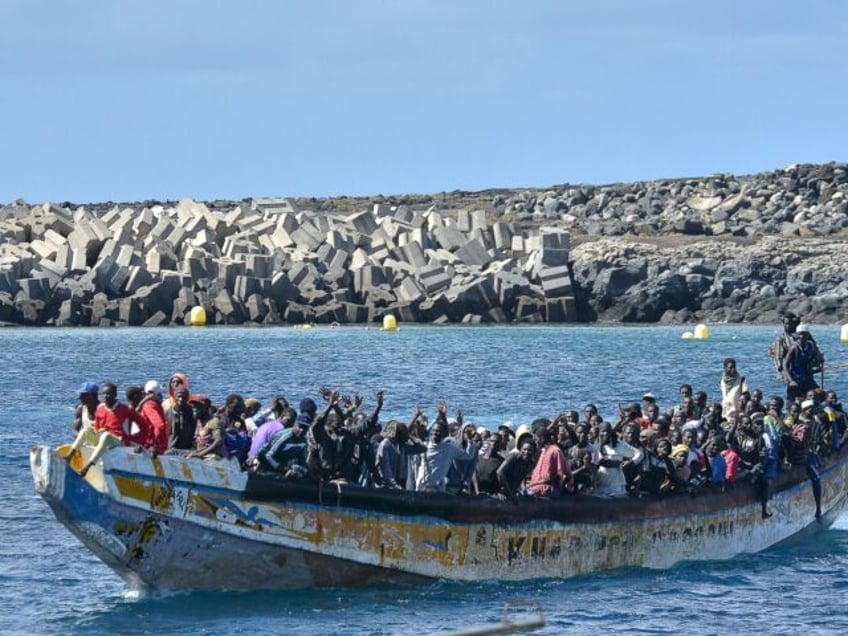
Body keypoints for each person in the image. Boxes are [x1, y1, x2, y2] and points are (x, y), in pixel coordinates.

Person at [66, 382, 148, 477]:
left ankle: (87, 467)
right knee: (86, 430)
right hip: (103, 439)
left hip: (119, 441)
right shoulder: (100, 408)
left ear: (115, 395)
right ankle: (69, 456)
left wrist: (139, 442)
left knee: (106, 436)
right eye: (103, 394)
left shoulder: (126, 409)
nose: (105, 396)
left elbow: (144, 426)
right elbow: (97, 428)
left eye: (108, 394)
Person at [416, 401, 479, 493]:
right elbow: (421, 434)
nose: (434, 433)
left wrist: (469, 440)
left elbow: (468, 456)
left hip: (439, 489)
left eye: (437, 432)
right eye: (433, 431)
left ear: (442, 434)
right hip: (422, 487)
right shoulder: (425, 446)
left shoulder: (449, 448)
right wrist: (439, 415)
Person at [374, 420, 425, 489]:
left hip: (400, 482)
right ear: (397, 434)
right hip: (386, 485)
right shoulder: (385, 445)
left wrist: (411, 437)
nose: (405, 437)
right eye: (403, 434)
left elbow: (422, 448)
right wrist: (394, 485)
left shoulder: (403, 446)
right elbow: (386, 469)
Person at [782, 323, 824, 402]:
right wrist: (791, 381)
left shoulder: (811, 346)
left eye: (805, 334)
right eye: (801, 334)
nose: (803, 336)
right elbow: (785, 364)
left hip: (808, 378)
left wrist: (819, 359)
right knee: (793, 400)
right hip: (796, 379)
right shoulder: (794, 348)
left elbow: (816, 357)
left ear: (808, 335)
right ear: (798, 335)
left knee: (820, 395)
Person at [188, 395, 227, 460]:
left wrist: (199, 454)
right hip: (202, 454)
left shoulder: (214, 421)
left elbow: (219, 441)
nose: (194, 409)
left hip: (215, 456)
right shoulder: (199, 421)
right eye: (194, 407)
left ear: (206, 408)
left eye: (198, 407)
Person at [138, 380, 169, 455]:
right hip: (159, 446)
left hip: (152, 448)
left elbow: (160, 425)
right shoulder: (156, 404)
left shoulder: (149, 405)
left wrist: (154, 445)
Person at [767, 312, 800, 378]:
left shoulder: (801, 336)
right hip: (788, 370)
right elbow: (778, 357)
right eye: (786, 324)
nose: (788, 326)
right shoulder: (781, 339)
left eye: (790, 324)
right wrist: (781, 371)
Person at [165, 386, 196, 452]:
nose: (181, 399)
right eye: (178, 396)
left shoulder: (191, 412)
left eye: (183, 397)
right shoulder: (168, 412)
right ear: (174, 397)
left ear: (187, 398)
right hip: (172, 447)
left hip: (188, 448)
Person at [720, 358, 748, 425]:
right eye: (730, 367)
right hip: (725, 415)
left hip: (736, 416)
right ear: (725, 368)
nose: (733, 369)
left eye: (734, 367)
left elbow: (746, 397)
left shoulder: (741, 381)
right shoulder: (723, 381)